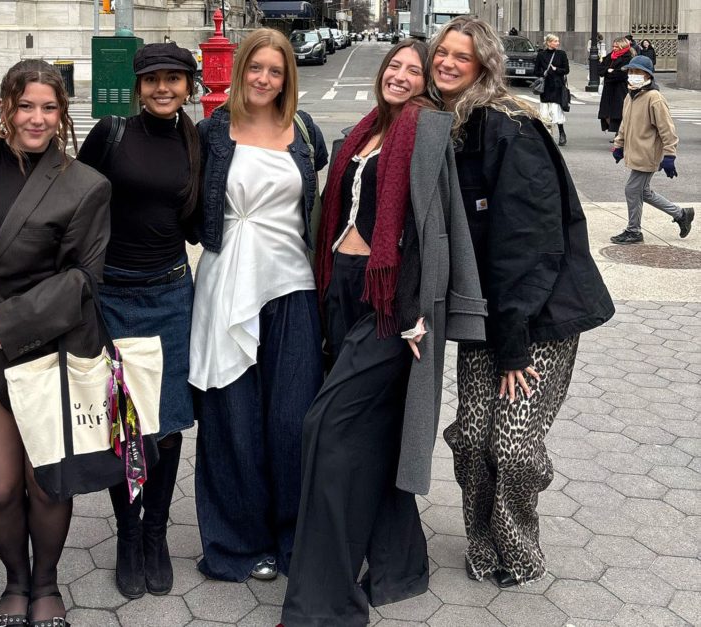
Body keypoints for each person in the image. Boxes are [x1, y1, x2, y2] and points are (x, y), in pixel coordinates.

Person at [280, 40, 486, 627]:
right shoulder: (366, 129)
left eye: (411, 70)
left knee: (327, 429)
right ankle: (400, 567)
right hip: (342, 289)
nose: (398, 75)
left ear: (426, 82)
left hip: (389, 306)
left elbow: (433, 224)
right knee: (371, 435)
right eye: (393, 66)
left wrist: (421, 309)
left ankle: (324, 603)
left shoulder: (424, 130)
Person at [428, 15, 615, 588]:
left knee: (511, 447)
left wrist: (514, 347)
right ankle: (482, 540)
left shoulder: (508, 126)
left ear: (484, 64)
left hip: (538, 318)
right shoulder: (455, 124)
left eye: (462, 56)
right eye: (443, 53)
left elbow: (528, 246)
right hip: (490, 314)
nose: (448, 63)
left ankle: (520, 551)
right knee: (470, 437)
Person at [0, 59, 111, 626]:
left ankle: (45, 584)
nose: (37, 118)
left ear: (63, 113)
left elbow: (85, 277)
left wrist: (14, 319)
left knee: (45, 484)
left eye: (49, 108)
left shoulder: (85, 185)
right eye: (26, 106)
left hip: (45, 349)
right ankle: (14, 583)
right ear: (6, 106)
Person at [189, 27, 328, 583]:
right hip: (227, 285)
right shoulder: (211, 133)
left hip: (292, 285)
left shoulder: (304, 131)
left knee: (293, 419)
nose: (264, 79)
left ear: (287, 76)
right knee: (231, 420)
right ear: (240, 69)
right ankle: (237, 544)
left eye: (275, 71)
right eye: (255, 69)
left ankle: (293, 536)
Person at [77, 42, 201, 599]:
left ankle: (157, 534)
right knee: (125, 422)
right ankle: (128, 536)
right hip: (115, 295)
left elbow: (198, 220)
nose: (163, 88)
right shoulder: (111, 134)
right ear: (138, 85)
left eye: (174, 79)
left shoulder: (194, 140)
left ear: (188, 87)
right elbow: (72, 202)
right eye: (153, 79)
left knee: (168, 424)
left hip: (173, 293)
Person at [610, 55, 694, 244]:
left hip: (648, 154)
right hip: (636, 153)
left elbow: (667, 130)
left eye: (637, 72)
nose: (632, 76)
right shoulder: (630, 96)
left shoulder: (654, 98)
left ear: (647, 75)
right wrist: (619, 144)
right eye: (630, 72)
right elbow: (625, 124)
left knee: (632, 190)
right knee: (643, 192)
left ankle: (634, 231)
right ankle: (682, 214)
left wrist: (670, 155)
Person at [534, 34, 570, 146]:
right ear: (549, 43)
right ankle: (548, 135)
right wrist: (543, 73)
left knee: (555, 110)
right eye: (555, 41)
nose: (557, 43)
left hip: (557, 86)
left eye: (558, 41)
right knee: (545, 111)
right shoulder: (541, 55)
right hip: (545, 87)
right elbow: (536, 71)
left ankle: (562, 133)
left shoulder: (561, 54)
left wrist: (556, 69)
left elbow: (566, 70)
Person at [598, 36, 633, 135]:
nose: (614, 49)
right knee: (606, 113)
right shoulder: (610, 56)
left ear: (623, 47)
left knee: (619, 113)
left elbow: (622, 75)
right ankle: (618, 133)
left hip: (620, 89)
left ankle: (620, 134)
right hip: (608, 89)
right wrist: (608, 71)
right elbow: (600, 69)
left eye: (617, 47)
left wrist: (609, 72)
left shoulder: (628, 58)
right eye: (613, 46)